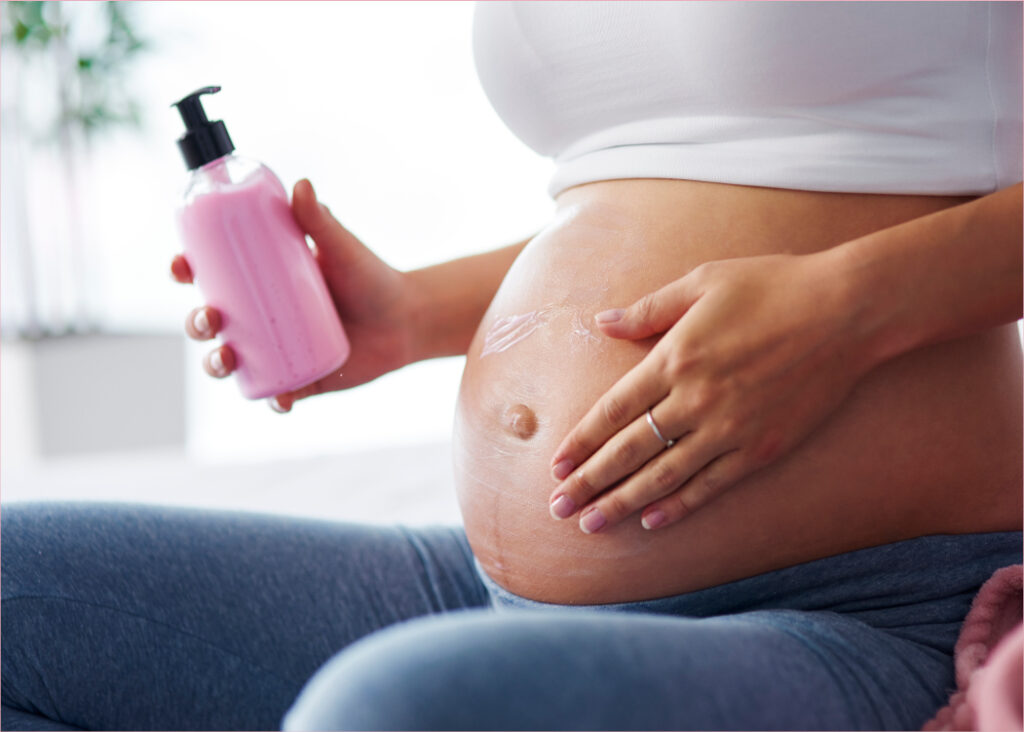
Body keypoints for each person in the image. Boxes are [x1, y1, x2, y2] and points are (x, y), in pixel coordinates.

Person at [3, 2, 1022, 730]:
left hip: (864, 608)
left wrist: (846, 309)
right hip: (490, 586)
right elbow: (643, 194)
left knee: (398, 710)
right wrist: (403, 315)